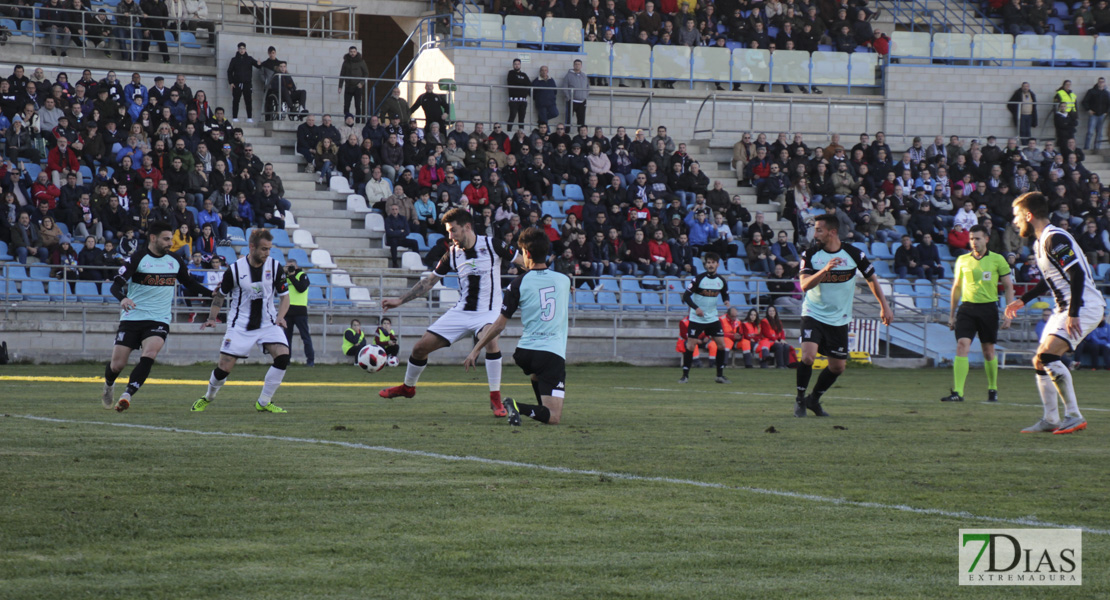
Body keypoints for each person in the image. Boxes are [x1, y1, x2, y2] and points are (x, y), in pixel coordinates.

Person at [379, 209, 517, 417]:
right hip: (461, 312)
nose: (450, 236)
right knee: (419, 349)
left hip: (488, 312)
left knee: (491, 340)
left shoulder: (492, 245)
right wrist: (400, 300)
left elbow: (525, 262)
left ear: (467, 227)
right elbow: (429, 282)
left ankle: (495, 398)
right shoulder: (453, 253)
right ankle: (408, 388)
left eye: (453, 231)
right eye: (448, 232)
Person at [1004, 192, 1107, 434]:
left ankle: (1073, 415)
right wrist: (1023, 300)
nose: (1016, 222)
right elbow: (1049, 280)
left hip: (1083, 306)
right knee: (1040, 359)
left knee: (1050, 355)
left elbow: (1078, 274)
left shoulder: (1055, 238)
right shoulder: (1041, 242)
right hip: (1065, 307)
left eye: (1018, 216)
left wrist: (1073, 314)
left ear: (1029, 215)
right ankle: (1050, 419)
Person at [102, 221, 214, 412]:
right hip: (132, 317)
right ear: (153, 238)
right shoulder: (138, 258)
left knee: (149, 354)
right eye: (166, 239)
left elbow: (190, 284)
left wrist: (213, 295)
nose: (170, 243)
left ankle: (127, 395)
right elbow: (115, 285)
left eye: (171, 239)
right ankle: (109, 386)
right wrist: (123, 298)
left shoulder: (175, 260)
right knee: (117, 365)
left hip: (159, 319)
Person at [465, 227, 571, 426]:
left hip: (525, 353)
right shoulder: (564, 280)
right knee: (554, 417)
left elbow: (498, 325)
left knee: (538, 380)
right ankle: (516, 406)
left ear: (527, 254)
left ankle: (539, 409)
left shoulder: (517, 283)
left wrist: (475, 350)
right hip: (550, 353)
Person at [794, 214, 893, 417]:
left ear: (832, 232)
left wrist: (885, 306)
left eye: (819, 230)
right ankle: (800, 399)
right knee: (808, 357)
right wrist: (825, 269)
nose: (815, 234)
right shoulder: (811, 254)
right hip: (813, 313)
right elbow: (804, 285)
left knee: (838, 367)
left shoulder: (853, 253)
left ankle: (814, 399)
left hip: (839, 319)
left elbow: (871, 278)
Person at [192, 229, 292, 413]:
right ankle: (209, 396)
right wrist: (212, 318)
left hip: (268, 322)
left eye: (269, 249)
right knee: (224, 367)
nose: (267, 253)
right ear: (251, 247)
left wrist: (280, 317)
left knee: (283, 356)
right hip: (240, 324)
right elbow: (220, 296)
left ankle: (263, 402)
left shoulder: (275, 267)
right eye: (263, 249)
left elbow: (285, 297)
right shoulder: (235, 269)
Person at [941, 225, 1015, 404]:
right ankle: (958, 392)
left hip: (988, 309)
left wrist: (1009, 313)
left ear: (987, 239)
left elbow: (1008, 286)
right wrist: (952, 315)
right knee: (961, 345)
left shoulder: (998, 259)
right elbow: (956, 287)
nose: (974, 242)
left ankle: (993, 389)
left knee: (988, 352)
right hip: (967, 309)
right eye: (972, 239)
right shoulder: (962, 260)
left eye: (978, 238)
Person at [679, 252, 731, 384]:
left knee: (721, 345)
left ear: (717, 265)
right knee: (690, 346)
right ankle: (685, 375)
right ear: (705, 264)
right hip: (697, 318)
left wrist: (726, 301)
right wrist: (696, 308)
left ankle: (719, 375)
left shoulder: (721, 281)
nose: (711, 265)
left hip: (712, 318)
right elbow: (685, 296)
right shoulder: (698, 279)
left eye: (713, 263)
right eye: (708, 263)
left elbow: (725, 294)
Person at [283, 258, 315, 367]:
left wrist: (291, 276)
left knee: (305, 337)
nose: (290, 268)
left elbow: (301, 288)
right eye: (288, 266)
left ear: (296, 266)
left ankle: (310, 360)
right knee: (286, 338)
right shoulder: (285, 277)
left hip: (300, 311)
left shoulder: (302, 275)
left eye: (291, 266)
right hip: (287, 310)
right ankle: (286, 361)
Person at [226, 42, 261, 122]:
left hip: (247, 84)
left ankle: (249, 117)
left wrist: (259, 64)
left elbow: (258, 65)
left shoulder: (249, 59)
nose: (242, 50)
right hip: (237, 84)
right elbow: (229, 71)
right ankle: (235, 117)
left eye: (243, 49)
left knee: (248, 100)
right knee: (236, 100)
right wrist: (231, 82)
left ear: (245, 49)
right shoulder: (234, 60)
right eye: (240, 49)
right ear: (238, 49)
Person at [338, 46, 369, 118]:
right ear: (349, 52)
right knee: (346, 105)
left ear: (356, 52)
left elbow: (366, 73)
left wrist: (362, 83)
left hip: (357, 87)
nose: (352, 53)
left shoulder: (361, 61)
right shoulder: (346, 62)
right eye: (351, 52)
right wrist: (340, 86)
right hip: (348, 86)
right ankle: (346, 120)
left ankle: (358, 121)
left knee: (358, 105)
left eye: (354, 52)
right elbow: (342, 74)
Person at [506, 58, 530, 132]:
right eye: (515, 64)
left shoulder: (524, 75)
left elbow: (529, 84)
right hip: (513, 100)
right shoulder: (511, 73)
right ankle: (509, 131)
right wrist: (522, 83)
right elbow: (513, 81)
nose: (517, 65)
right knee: (512, 116)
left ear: (520, 65)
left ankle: (521, 132)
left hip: (523, 100)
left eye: (518, 64)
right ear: (513, 65)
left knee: (521, 118)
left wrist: (520, 82)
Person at [562, 59, 589, 127]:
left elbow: (588, 86)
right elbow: (564, 87)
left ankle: (581, 133)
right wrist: (568, 97)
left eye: (579, 64)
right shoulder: (568, 75)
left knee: (581, 120)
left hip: (582, 101)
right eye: (576, 64)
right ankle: (567, 132)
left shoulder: (584, 76)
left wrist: (585, 96)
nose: (577, 66)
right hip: (572, 101)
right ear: (573, 65)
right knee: (568, 119)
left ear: (581, 66)